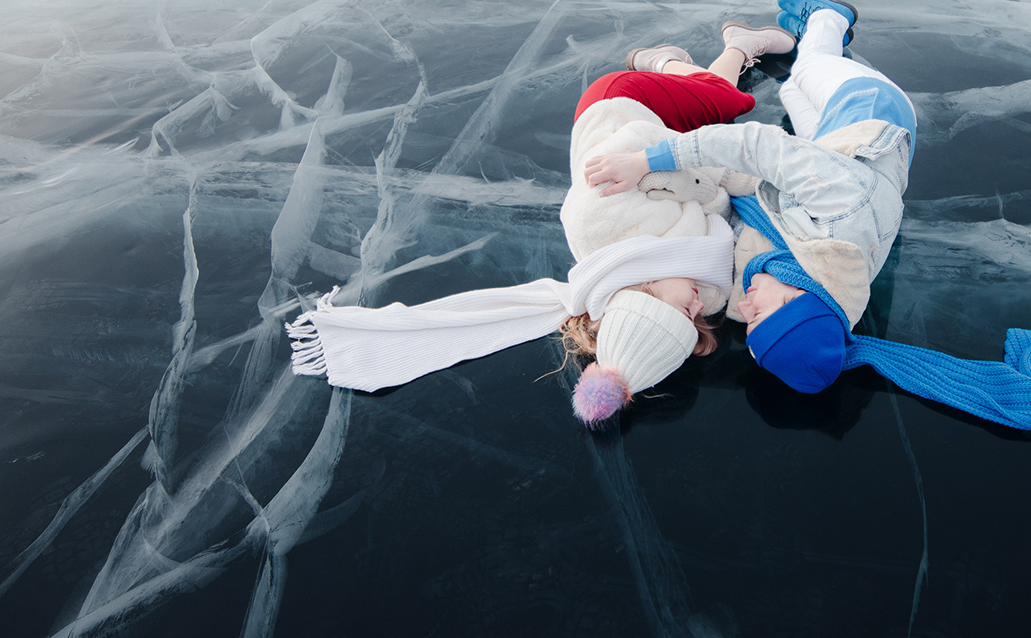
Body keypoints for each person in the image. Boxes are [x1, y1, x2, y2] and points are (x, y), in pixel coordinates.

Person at [584, 0, 1031, 432]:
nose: (746, 306)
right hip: (869, 117)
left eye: (748, 322)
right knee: (813, 64)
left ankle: (764, 50)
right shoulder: (840, 219)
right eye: (762, 314)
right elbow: (757, 149)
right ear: (801, 301)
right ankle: (828, 14)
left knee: (791, 91)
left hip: (829, 157)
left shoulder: (824, 285)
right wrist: (651, 160)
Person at [289, 29, 787, 426]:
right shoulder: (696, 284)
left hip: (623, 109)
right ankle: (670, 64)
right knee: (711, 110)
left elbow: (637, 144)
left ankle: (726, 46)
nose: (700, 305)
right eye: (694, 317)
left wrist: (708, 187)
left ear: (646, 291)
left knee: (729, 104)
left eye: (684, 308)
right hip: (659, 134)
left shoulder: (599, 226)